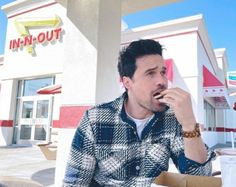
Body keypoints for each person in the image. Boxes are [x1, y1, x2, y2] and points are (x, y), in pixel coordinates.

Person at [63, 39, 215, 187]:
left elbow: (200, 179)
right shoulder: (95, 120)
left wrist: (189, 124)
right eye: (150, 73)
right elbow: (74, 183)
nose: (161, 81)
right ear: (127, 82)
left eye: (163, 72)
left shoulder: (172, 119)